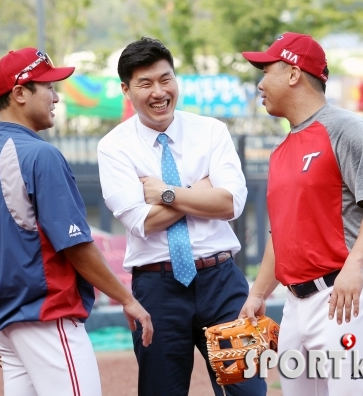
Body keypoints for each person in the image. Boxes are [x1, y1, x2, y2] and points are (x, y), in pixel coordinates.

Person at [0, 47, 153, 396]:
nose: (56, 97)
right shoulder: (40, 155)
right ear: (20, 93)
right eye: (48, 87)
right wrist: (126, 299)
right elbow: (75, 246)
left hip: (6, 330)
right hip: (47, 321)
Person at [97, 37, 267, 396]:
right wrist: (199, 190)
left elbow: (230, 204)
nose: (159, 92)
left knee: (247, 391)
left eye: (165, 79)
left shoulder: (211, 131)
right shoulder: (113, 147)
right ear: (126, 90)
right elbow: (140, 222)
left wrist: (167, 192)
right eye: (145, 84)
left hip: (222, 284)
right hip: (157, 289)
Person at [240, 33, 363, 396]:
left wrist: (355, 265)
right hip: (296, 305)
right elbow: (280, 235)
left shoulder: (347, 129)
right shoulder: (281, 151)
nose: (260, 83)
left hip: (347, 295)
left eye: (266, 71)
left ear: (294, 74)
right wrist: (258, 294)